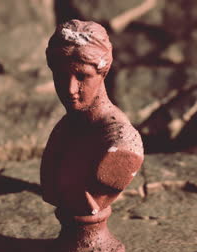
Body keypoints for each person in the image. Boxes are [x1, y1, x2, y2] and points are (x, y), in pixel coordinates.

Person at [41, 19, 144, 217]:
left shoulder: (122, 144)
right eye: (61, 76)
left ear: (102, 72)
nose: (70, 89)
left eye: (82, 77)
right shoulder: (66, 127)